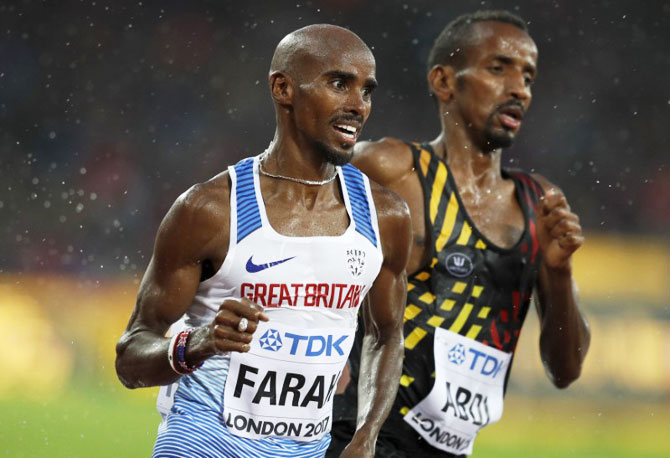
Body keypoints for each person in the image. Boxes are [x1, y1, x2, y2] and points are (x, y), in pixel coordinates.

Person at [115, 24, 412, 458]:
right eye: (338, 84)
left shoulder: (385, 216)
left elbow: (386, 335)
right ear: (283, 88)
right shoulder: (211, 211)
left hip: (307, 450)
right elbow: (130, 359)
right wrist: (197, 343)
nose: (357, 106)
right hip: (202, 443)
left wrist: (365, 438)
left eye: (366, 91)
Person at [328, 10, 591, 458]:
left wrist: (559, 270)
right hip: (356, 438)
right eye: (498, 68)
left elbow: (565, 370)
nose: (518, 89)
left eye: (528, 76)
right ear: (444, 81)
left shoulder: (539, 204)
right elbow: (293, 235)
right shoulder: (393, 170)